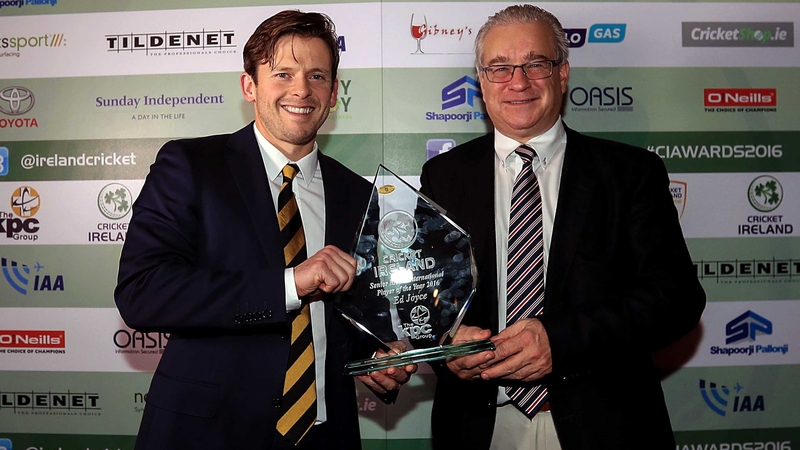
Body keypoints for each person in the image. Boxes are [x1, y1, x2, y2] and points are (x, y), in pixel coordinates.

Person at [115, 10, 414, 450]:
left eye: (317, 76)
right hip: (206, 436)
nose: (301, 89)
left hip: (324, 436)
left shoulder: (356, 193)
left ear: (333, 94)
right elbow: (142, 292)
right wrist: (290, 284)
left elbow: (345, 318)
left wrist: (373, 360)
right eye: (283, 74)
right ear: (249, 86)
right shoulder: (191, 167)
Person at [419, 5, 705, 450]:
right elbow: (426, 296)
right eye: (500, 67)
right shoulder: (443, 177)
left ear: (563, 72)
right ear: (480, 79)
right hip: (478, 426)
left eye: (536, 63)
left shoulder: (631, 173)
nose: (518, 81)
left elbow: (676, 299)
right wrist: (446, 341)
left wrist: (562, 339)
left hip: (606, 426)